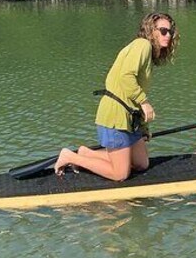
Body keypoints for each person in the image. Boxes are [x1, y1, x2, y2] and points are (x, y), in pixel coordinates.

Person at [53, 12, 178, 180]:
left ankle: (85, 153)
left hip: (131, 119)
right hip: (115, 116)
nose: (168, 35)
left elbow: (132, 91)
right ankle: (70, 157)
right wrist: (145, 102)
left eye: (170, 31)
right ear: (151, 30)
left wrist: (143, 127)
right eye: (163, 31)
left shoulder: (146, 51)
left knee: (142, 164)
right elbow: (125, 76)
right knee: (120, 174)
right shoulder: (143, 45)